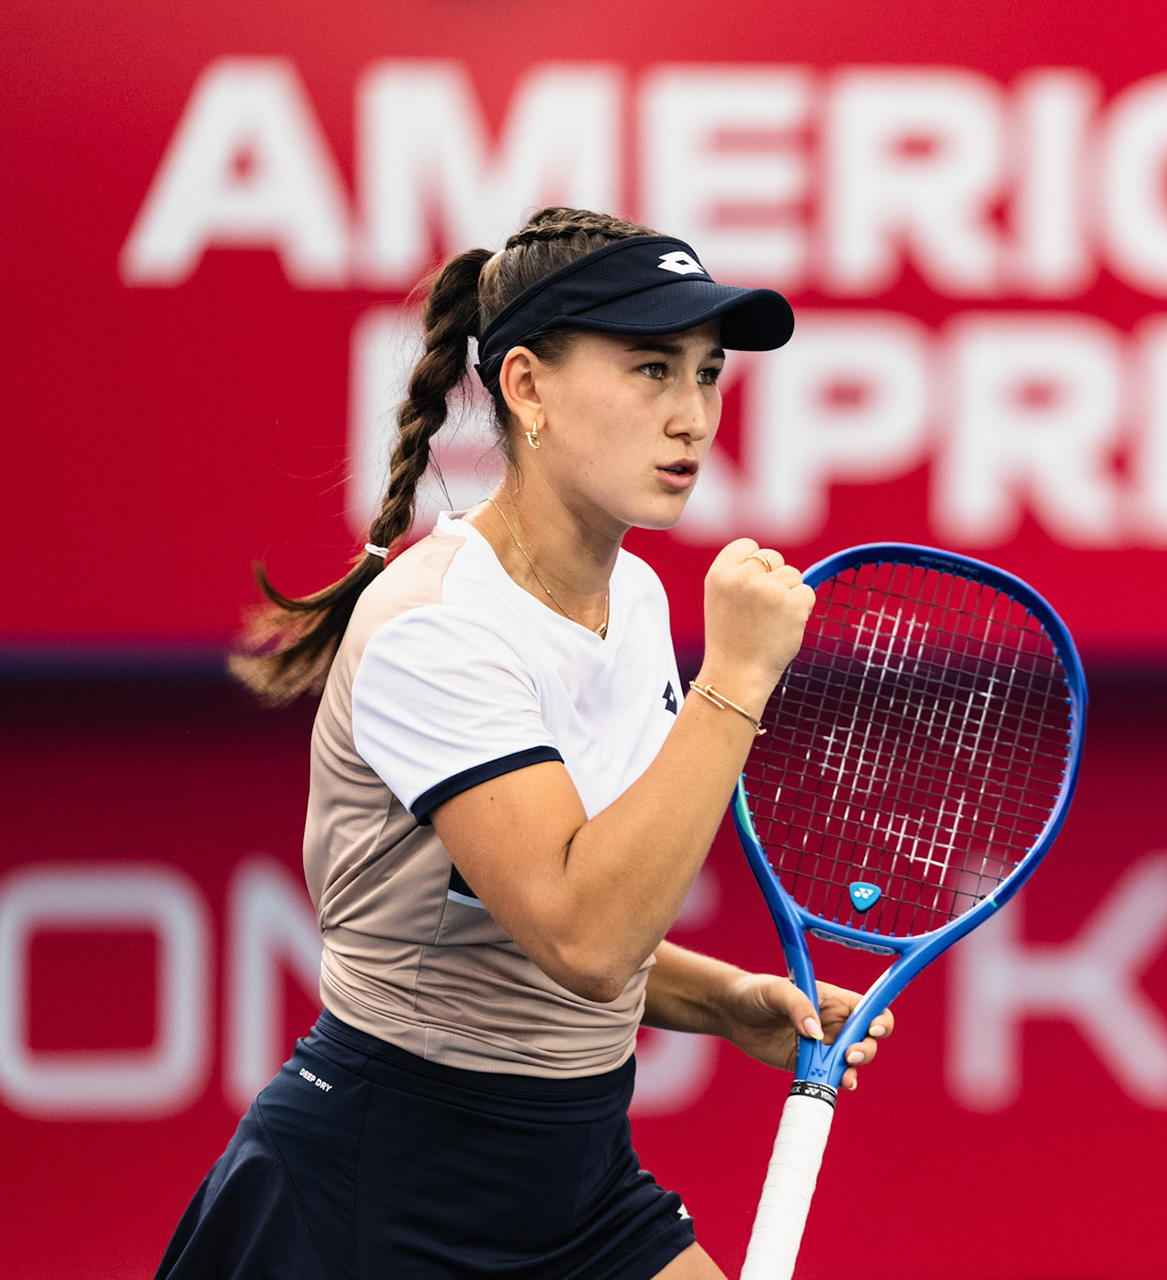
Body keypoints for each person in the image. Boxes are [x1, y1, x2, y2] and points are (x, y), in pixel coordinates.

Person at [155, 207, 893, 1279]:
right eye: (651, 368)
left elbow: (551, 932)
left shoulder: (637, 598)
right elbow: (583, 939)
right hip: (382, 1194)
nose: (693, 415)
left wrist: (726, 1002)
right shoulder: (437, 628)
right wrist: (735, 681)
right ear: (527, 387)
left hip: (577, 1181)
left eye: (708, 373)